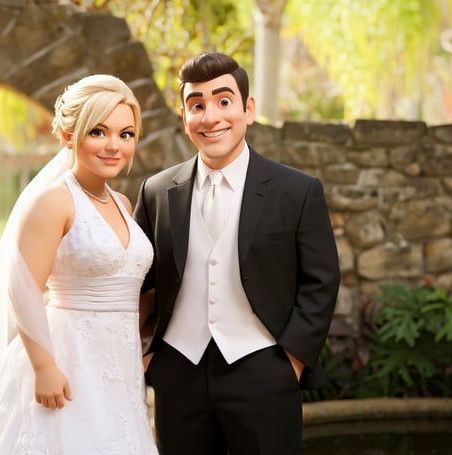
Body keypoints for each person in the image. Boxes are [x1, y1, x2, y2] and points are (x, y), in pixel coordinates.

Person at [0, 74, 159, 455]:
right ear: (68, 134)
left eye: (126, 134)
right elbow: (22, 286)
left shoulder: (123, 204)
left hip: (119, 365)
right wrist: (44, 366)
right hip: (67, 359)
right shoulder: (53, 202)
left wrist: (143, 343)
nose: (114, 145)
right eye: (98, 132)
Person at [133, 52, 341, 454]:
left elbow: (321, 280)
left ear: (248, 109)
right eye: (197, 105)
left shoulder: (297, 191)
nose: (210, 117)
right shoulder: (156, 191)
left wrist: (291, 363)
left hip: (265, 370)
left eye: (224, 101)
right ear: (184, 116)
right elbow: (137, 279)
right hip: (178, 373)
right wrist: (148, 353)